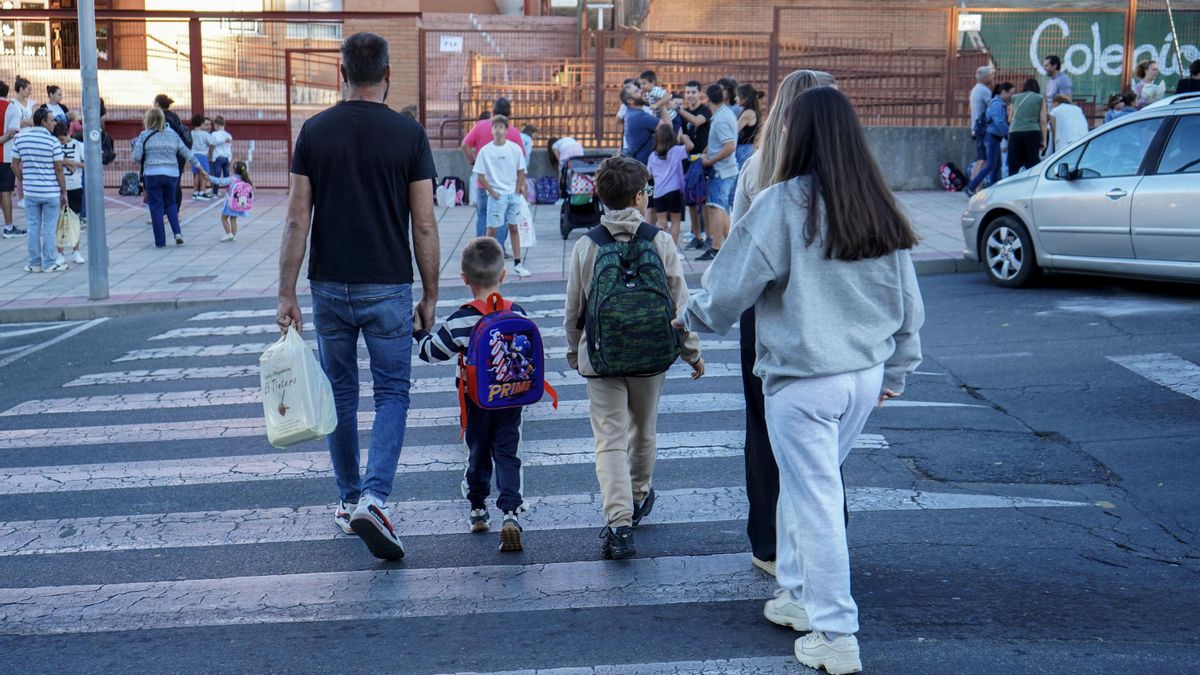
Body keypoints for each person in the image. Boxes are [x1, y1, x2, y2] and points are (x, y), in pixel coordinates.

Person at [678, 86, 923, 675]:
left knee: (814, 498)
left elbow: (729, 288)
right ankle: (792, 593)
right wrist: (899, 370)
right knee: (806, 486)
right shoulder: (877, 203)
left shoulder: (782, 202)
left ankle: (836, 632)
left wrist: (688, 322)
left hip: (804, 380)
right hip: (863, 375)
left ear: (797, 135)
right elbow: (908, 302)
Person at [277, 33, 440, 563]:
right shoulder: (409, 135)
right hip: (389, 284)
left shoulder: (314, 132)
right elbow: (424, 223)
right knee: (392, 394)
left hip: (328, 287)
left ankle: (350, 500)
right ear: (388, 75)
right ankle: (374, 496)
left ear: (339, 74)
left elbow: (297, 218)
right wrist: (431, 295)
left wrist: (286, 293)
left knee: (340, 396)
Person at [563, 155, 703, 560]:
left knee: (608, 438)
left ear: (601, 198)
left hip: (602, 358)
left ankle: (619, 523)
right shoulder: (660, 240)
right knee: (643, 430)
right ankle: (639, 496)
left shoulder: (587, 244)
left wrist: (576, 351)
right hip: (651, 357)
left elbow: (575, 308)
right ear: (640, 197)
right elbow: (681, 303)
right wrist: (691, 353)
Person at [732, 68, 836, 579]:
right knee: (823, 430)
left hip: (765, 311)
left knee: (763, 425)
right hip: (825, 310)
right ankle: (823, 535)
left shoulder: (756, 169)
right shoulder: (843, 173)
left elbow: (736, 247)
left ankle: (768, 544)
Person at [413, 237, 532, 552]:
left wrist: (418, 331)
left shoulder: (461, 319)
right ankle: (510, 512)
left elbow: (430, 352)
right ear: (503, 276)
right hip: (510, 398)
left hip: (476, 401)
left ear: (464, 279)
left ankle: (478, 510)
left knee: (478, 452)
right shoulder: (517, 313)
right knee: (508, 454)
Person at [132, 107, 205, 248]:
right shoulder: (172, 134)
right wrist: (200, 167)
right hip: (172, 174)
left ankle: (160, 241)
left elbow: (135, 157)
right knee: (171, 203)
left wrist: (135, 147)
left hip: (152, 174)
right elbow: (186, 152)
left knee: (156, 206)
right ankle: (177, 233)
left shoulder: (143, 135)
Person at [461, 97, 524, 252]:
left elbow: (465, 144)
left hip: (484, 183)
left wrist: (473, 161)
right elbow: (521, 159)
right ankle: (497, 250)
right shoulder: (514, 132)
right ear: (509, 113)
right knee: (501, 218)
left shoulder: (481, 126)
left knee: (483, 214)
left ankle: (479, 249)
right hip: (505, 186)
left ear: (493, 111)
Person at [473, 115, 531, 278]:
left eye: (501, 126)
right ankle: (484, 262)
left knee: (514, 227)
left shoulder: (515, 149)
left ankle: (518, 263)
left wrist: (518, 189)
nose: (498, 129)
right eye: (495, 126)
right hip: (496, 197)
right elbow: (480, 175)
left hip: (512, 195)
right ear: (491, 130)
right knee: (491, 230)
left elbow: (521, 170)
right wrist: (492, 192)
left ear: (506, 130)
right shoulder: (485, 151)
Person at [11, 106, 68, 273]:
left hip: (31, 192)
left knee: (33, 227)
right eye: (51, 120)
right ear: (43, 122)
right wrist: (63, 192)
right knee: (50, 227)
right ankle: (50, 262)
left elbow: (14, 165)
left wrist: (24, 179)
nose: (54, 124)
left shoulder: (20, 139)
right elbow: (58, 169)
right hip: (50, 192)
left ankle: (34, 262)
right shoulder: (53, 142)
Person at [696, 82, 738, 261]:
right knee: (718, 207)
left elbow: (729, 146)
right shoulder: (724, 113)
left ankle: (716, 247)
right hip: (725, 170)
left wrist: (709, 161)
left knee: (717, 207)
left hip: (722, 171)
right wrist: (707, 151)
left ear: (707, 98)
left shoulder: (720, 118)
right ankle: (731, 245)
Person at [678, 80, 711, 251]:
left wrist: (678, 109)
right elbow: (679, 136)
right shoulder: (682, 114)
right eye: (687, 92)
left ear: (700, 94)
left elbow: (698, 122)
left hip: (703, 160)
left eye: (693, 92)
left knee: (703, 200)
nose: (690, 95)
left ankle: (709, 236)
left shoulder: (704, 110)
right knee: (690, 201)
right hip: (687, 160)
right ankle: (697, 236)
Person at [646, 123, 690, 251]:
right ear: (672, 137)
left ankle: (660, 249)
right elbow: (690, 146)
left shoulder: (652, 155)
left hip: (658, 192)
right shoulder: (676, 151)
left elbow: (649, 175)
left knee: (661, 222)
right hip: (674, 190)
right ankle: (673, 250)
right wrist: (683, 137)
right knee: (675, 221)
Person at [965, 82, 1013, 196]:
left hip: (995, 137)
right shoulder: (996, 104)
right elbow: (999, 122)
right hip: (991, 137)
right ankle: (971, 187)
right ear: (1003, 92)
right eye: (1010, 93)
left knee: (996, 166)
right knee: (990, 165)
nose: (1012, 96)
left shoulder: (999, 103)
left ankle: (993, 190)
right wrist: (1009, 133)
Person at [53, 121, 85, 265]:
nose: (60, 142)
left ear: (68, 134)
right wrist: (66, 162)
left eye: (62, 139)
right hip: (58, 187)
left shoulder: (79, 146)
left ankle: (76, 251)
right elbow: (54, 163)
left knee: (74, 220)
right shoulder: (54, 146)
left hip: (75, 187)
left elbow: (87, 164)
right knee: (60, 221)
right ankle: (59, 253)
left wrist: (74, 163)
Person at [153, 94, 192, 208]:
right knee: (176, 184)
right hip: (179, 154)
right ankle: (176, 212)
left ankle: (165, 211)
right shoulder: (175, 117)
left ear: (158, 104)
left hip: (167, 155)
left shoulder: (159, 117)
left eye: (154, 102)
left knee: (163, 184)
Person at [0, 80, 27, 239]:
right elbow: (12, 133)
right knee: (5, 192)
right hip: (5, 157)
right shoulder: (12, 108)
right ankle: (9, 227)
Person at [620, 82, 670, 165]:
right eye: (636, 91)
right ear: (630, 101)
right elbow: (668, 128)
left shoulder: (631, 113)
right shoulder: (639, 116)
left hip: (639, 165)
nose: (642, 90)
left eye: (639, 88)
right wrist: (662, 104)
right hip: (643, 167)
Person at [1007, 79, 1047, 175]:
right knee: (1032, 164)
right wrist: (1044, 140)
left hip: (1014, 133)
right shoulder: (1040, 98)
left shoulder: (1015, 98)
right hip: (1032, 132)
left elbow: (1010, 119)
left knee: (1014, 165)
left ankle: (1012, 187)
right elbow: (1043, 121)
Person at [206, 160, 253, 242]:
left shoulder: (232, 179)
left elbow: (219, 181)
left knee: (223, 218)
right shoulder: (245, 180)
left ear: (234, 169)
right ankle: (234, 235)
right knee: (233, 219)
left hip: (230, 203)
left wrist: (209, 177)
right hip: (238, 204)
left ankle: (228, 234)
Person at [969, 66, 996, 180]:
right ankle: (976, 186)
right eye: (991, 76)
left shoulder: (976, 88)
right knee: (983, 160)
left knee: (980, 159)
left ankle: (973, 184)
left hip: (977, 128)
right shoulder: (984, 90)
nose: (992, 78)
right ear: (985, 77)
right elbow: (993, 107)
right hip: (983, 129)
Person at [734, 84, 762, 169]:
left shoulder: (748, 113)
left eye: (738, 96)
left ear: (745, 98)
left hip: (743, 149)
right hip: (747, 148)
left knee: (740, 178)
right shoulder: (751, 111)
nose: (735, 98)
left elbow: (734, 130)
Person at [189, 114, 213, 201]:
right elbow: (212, 143)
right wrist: (210, 152)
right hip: (203, 155)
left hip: (193, 155)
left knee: (196, 174)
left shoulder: (191, 133)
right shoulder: (205, 134)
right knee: (204, 174)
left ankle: (195, 192)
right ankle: (202, 192)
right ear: (202, 123)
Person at [209, 115, 233, 197]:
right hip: (226, 157)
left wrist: (211, 157)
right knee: (227, 175)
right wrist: (230, 157)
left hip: (218, 157)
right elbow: (229, 147)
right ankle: (229, 192)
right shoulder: (229, 135)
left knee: (216, 175)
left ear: (216, 125)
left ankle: (215, 192)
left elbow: (212, 144)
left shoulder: (214, 134)